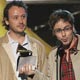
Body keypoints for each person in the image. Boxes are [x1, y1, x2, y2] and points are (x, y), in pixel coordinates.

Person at [0, 1, 47, 80]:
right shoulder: (1, 46)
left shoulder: (38, 46)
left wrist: (35, 74)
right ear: (6, 21)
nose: (21, 21)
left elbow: (47, 77)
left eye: (23, 16)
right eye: (16, 17)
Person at [47, 9, 80, 80]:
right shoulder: (53, 56)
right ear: (54, 32)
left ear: (73, 27)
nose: (63, 34)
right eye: (58, 31)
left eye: (67, 29)